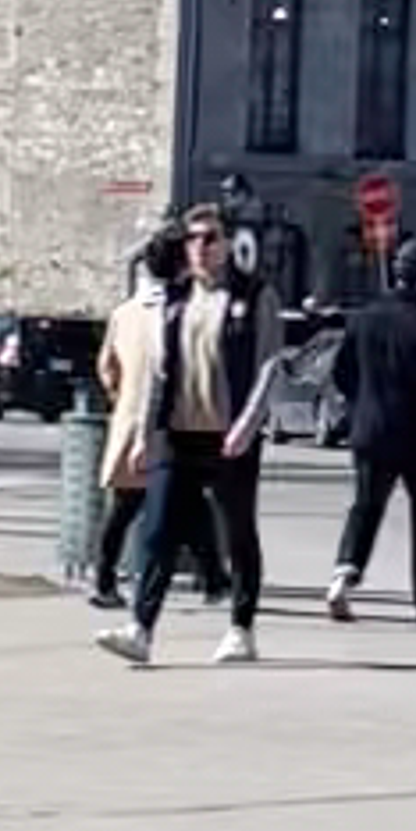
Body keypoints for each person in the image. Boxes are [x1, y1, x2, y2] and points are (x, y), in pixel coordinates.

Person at [104, 201, 263, 667]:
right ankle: (140, 628)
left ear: (229, 244)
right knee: (156, 531)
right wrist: (141, 436)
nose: (199, 247)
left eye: (210, 238)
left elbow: (268, 365)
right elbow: (158, 374)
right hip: (178, 432)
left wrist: (246, 426)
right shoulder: (174, 301)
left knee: (237, 533)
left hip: (229, 434)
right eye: (192, 239)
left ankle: (241, 627)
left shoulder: (253, 298)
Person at [327, 270, 416, 626]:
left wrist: (362, 404)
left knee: (366, 505)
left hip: (371, 429)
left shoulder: (365, 317)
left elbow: (342, 371)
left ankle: (344, 573)